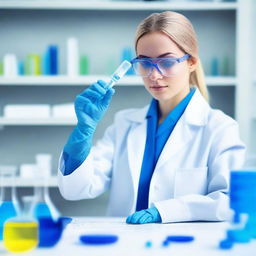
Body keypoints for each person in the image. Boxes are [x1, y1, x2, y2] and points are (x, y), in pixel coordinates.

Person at [58, 11, 246, 224]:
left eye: (166, 62)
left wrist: (166, 211)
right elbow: (76, 189)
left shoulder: (220, 128)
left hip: (184, 246)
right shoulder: (124, 123)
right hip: (125, 244)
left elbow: (228, 200)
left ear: (191, 62)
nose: (154, 75)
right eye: (145, 63)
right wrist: (83, 131)